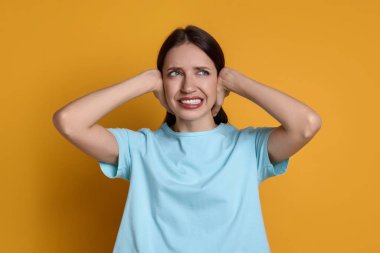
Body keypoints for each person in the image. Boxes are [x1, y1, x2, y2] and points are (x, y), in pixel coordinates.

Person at [53, 25, 322, 253]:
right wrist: (145, 81)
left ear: (219, 82)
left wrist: (234, 80)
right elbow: (69, 122)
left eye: (202, 72)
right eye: (175, 73)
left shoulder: (248, 147)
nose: (188, 86)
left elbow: (306, 124)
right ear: (161, 83)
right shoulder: (139, 149)